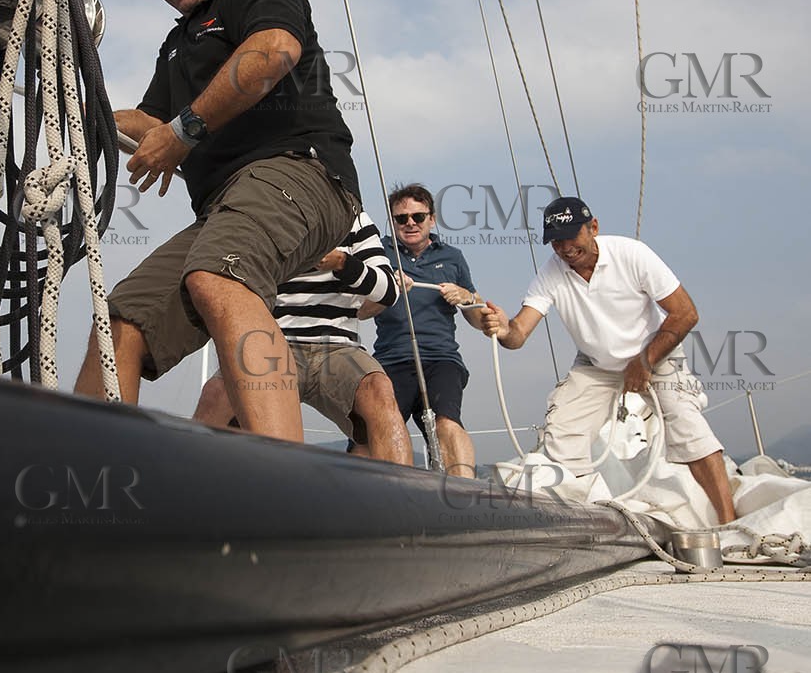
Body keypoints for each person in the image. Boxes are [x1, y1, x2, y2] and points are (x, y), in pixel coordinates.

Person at [74, 0, 360, 442]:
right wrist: (81, 109)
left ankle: (281, 480)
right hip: (223, 205)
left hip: (301, 171)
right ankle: (97, 481)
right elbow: (151, 123)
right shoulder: (177, 43)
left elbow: (274, 51)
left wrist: (183, 132)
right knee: (122, 323)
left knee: (217, 276)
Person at [476, 196, 736, 524]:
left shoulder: (632, 254)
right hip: (595, 363)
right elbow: (519, 335)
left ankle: (729, 522)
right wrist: (503, 327)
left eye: (572, 236)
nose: (565, 248)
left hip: (655, 350)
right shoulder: (550, 274)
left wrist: (644, 361)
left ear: (593, 227)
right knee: (562, 437)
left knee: (687, 425)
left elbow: (685, 313)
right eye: (556, 241)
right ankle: (588, 522)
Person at [193, 211, 413, 465]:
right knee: (217, 393)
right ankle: (185, 488)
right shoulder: (266, 211)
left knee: (379, 390)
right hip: (271, 342)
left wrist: (343, 263)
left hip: (338, 347)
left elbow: (389, 291)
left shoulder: (355, 220)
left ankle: (403, 495)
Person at [365, 184, 484, 476]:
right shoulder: (378, 253)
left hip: (441, 358)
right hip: (392, 359)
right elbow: (358, 311)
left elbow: (479, 319)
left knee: (446, 422)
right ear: (392, 222)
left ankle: (462, 495)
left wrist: (466, 297)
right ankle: (377, 499)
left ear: (432, 219)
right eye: (401, 218)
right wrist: (387, 292)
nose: (410, 224)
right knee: (378, 427)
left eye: (418, 217)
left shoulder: (453, 257)